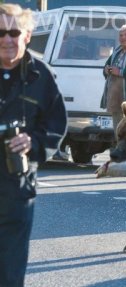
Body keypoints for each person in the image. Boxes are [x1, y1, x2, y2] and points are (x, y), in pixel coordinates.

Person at [0, 3, 67, 286]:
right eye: (1, 32)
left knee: (11, 271)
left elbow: (56, 125)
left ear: (27, 35)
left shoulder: (41, 75)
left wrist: (33, 140)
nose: (7, 39)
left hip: (16, 186)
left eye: (14, 32)